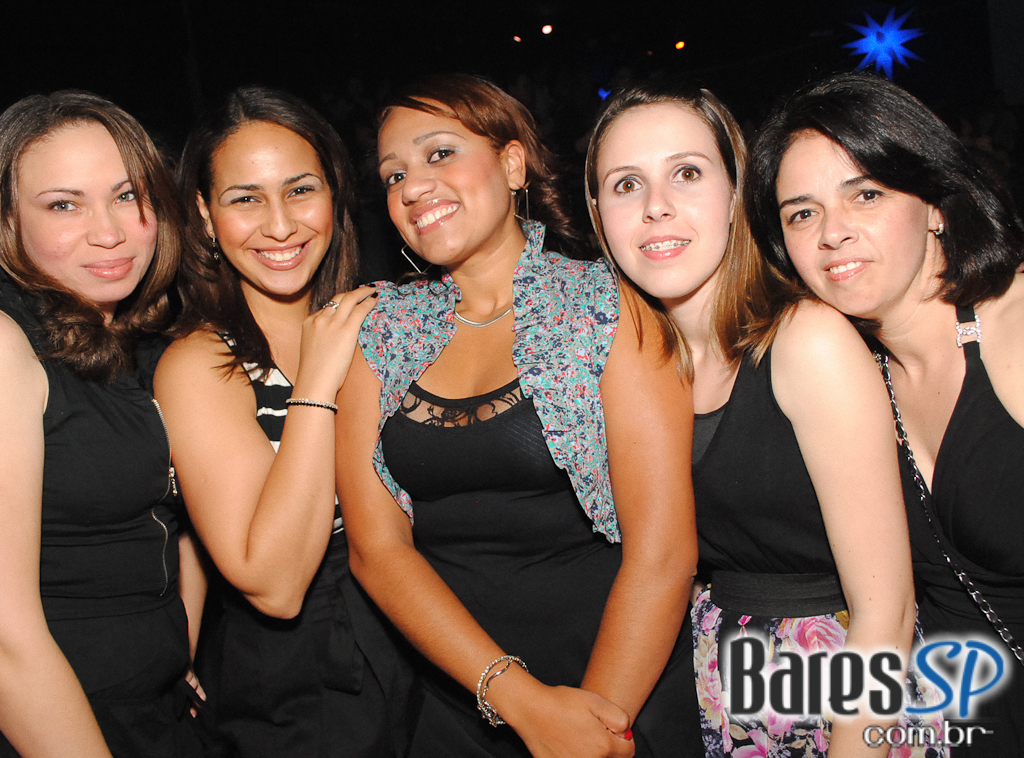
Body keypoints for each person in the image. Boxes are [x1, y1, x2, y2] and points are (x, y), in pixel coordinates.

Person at [334, 73, 699, 758]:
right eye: (393, 176)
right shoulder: (379, 332)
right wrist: (518, 700)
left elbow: (663, 554)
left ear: (511, 164)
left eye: (440, 153)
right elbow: (377, 551)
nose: (412, 188)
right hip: (457, 699)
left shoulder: (606, 307)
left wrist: (592, 731)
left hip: (619, 688)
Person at [586, 82, 945, 757]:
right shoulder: (638, 365)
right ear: (600, 217)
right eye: (626, 185)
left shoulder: (807, 341)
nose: (656, 206)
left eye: (687, 173)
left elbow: (886, 612)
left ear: (736, 194)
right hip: (724, 691)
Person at [746, 71, 1024, 756]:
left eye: (865, 194)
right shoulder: (855, 376)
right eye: (802, 214)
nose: (833, 233)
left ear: (935, 204)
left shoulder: (1015, 327)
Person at [154, 87, 411, 758]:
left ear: (335, 192)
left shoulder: (380, 318)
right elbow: (274, 584)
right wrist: (317, 385)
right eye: (246, 199)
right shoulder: (202, 362)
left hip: (425, 636)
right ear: (205, 215)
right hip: (304, 685)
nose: (280, 225)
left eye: (300, 190)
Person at [0, 91, 203, 757]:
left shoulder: (140, 340)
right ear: (8, 221)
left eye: (127, 195)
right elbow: (5, 641)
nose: (109, 231)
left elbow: (174, 524)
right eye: (64, 205)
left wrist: (174, 650)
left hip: (154, 715)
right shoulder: (6, 343)